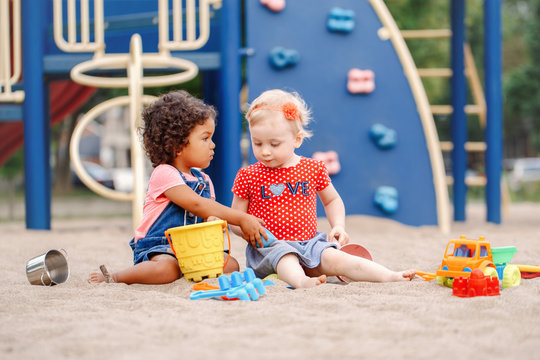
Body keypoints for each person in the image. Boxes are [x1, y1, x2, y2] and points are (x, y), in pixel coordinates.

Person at [230, 89, 415, 289]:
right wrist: (247, 231)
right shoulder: (248, 175)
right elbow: (235, 217)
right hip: (270, 249)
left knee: (340, 259)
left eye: (274, 144)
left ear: (297, 139)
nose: (265, 151)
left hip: (311, 245)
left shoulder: (313, 168)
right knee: (286, 258)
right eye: (257, 143)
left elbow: (332, 200)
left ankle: (389, 276)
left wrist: (338, 226)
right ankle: (301, 282)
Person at [88, 90, 267, 284]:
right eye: (205, 138)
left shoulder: (204, 180)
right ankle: (116, 277)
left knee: (230, 265)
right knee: (166, 268)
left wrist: (213, 223)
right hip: (159, 248)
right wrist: (241, 217)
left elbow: (208, 213)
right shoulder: (165, 174)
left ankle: (186, 270)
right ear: (177, 145)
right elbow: (197, 205)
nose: (212, 145)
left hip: (193, 249)